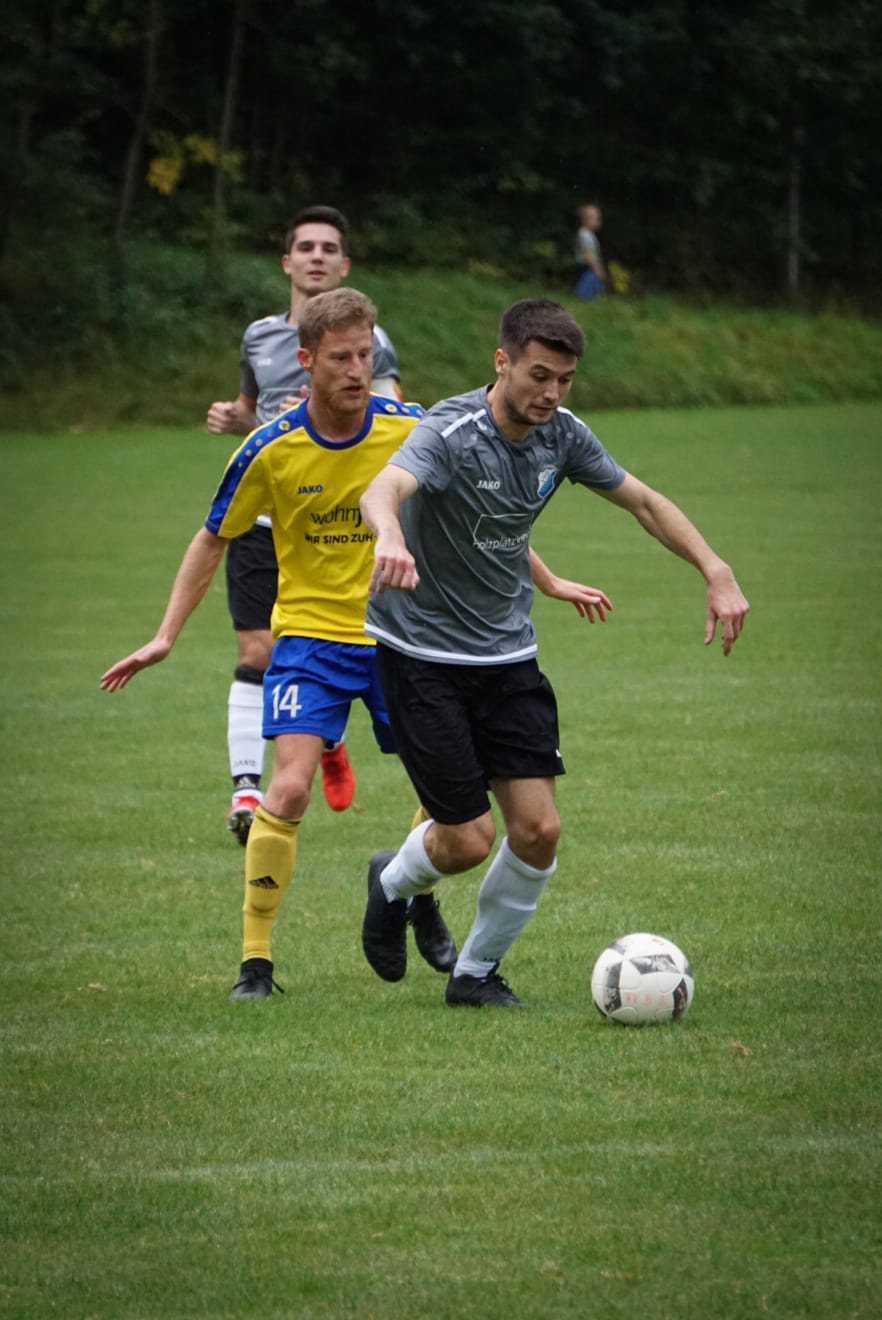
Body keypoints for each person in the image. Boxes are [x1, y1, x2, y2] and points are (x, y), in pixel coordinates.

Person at [100, 290, 601, 1002]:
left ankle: (411, 895)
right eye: (340, 357)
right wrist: (163, 636)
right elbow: (213, 537)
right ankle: (256, 965)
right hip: (309, 637)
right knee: (292, 786)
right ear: (305, 362)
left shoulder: (409, 426)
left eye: (366, 355)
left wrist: (545, 581)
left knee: (446, 801)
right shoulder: (269, 448)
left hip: (404, 637)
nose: (357, 370)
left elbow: (479, 516)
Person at [358, 298, 750, 1008]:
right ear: (501, 361)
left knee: (539, 831)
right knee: (468, 840)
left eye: (564, 380)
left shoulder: (561, 437)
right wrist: (388, 533)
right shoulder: (450, 431)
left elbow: (644, 501)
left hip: (508, 656)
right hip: (420, 656)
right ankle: (392, 883)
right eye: (539, 375)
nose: (552, 394)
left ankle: (474, 975)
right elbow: (384, 486)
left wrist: (714, 569)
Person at [205, 205, 403, 844]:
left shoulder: (372, 343)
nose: (317, 257)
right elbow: (251, 407)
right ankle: (246, 787)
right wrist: (237, 419)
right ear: (286, 261)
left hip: (342, 522)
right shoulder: (259, 336)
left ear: (344, 264)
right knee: (255, 650)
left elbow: (394, 414)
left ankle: (328, 734)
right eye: (305, 247)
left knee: (323, 646)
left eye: (329, 248)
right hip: (268, 518)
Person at [573, 203, 606, 301]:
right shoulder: (584, 235)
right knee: (586, 291)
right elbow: (588, 254)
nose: (598, 222)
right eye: (595, 219)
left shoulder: (588, 234)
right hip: (588, 267)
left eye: (598, 219)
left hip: (590, 267)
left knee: (595, 290)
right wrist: (596, 268)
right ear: (585, 219)